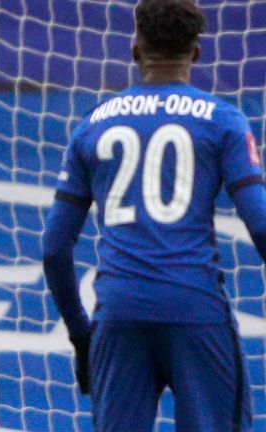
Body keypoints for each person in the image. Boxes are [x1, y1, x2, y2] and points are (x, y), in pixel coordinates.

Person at [43, 0, 258, 430]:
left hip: (118, 314)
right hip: (195, 309)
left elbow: (54, 248)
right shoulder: (223, 121)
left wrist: (82, 336)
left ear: (135, 49)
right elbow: (263, 223)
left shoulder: (93, 125)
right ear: (196, 53)